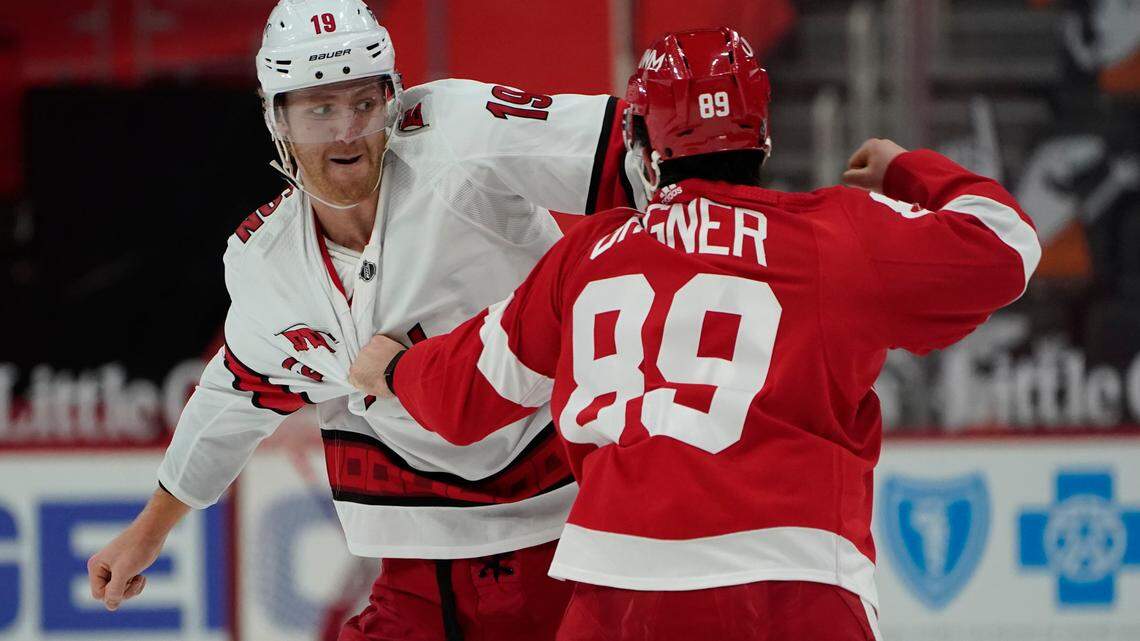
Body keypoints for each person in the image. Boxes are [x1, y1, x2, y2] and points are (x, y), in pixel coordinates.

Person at [349, 27, 1041, 641]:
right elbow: (1008, 245)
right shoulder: (838, 235)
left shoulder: (586, 255)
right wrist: (904, 168)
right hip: (795, 577)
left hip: (617, 588)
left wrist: (396, 369)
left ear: (645, 147)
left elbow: (470, 394)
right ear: (761, 136)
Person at [85, 1, 634, 640]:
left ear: (392, 100)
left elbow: (643, 153)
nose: (347, 131)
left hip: (582, 538)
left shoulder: (458, 133)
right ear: (277, 121)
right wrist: (146, 534)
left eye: (363, 104)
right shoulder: (267, 267)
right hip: (419, 572)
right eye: (320, 110)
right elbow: (232, 402)